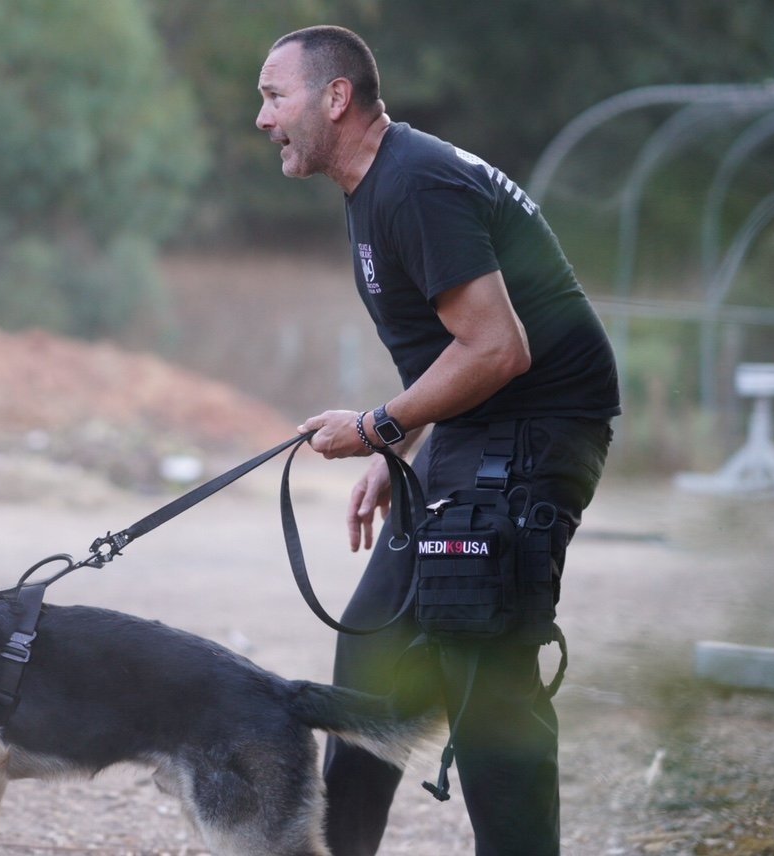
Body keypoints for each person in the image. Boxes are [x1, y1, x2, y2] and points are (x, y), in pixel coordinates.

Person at [256, 25, 620, 856]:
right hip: (477, 430)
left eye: (275, 97)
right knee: (373, 658)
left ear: (336, 97)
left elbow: (500, 347)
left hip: (534, 436)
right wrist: (404, 447)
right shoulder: (378, 184)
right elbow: (459, 352)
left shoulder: (414, 183)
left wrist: (380, 424)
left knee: (483, 675)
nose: (263, 118)